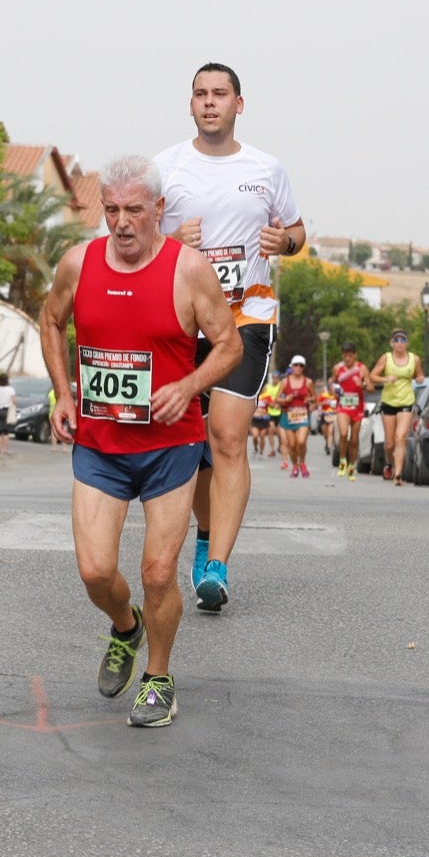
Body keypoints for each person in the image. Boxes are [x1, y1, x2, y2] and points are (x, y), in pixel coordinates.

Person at [39, 154, 240, 727]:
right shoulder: (78, 263)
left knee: (158, 571)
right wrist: (63, 392)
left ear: (158, 209)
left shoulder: (189, 270)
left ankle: (158, 676)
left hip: (169, 448)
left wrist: (190, 385)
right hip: (100, 445)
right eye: (110, 210)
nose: (121, 222)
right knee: (96, 572)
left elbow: (228, 345)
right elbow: (51, 320)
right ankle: (125, 626)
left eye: (132, 210)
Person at [156, 62, 306, 611]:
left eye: (220, 94)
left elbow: (296, 230)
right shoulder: (164, 168)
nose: (210, 102)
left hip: (247, 317)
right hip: (182, 323)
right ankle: (203, 533)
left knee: (227, 438)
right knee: (191, 448)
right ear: (190, 104)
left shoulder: (266, 168)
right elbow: (130, 240)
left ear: (239, 104)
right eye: (201, 94)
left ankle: (217, 564)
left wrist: (283, 243)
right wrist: (169, 236)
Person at [369, 329, 426, 486]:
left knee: (400, 437)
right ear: (391, 343)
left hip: (406, 402)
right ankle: (389, 463)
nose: (399, 343)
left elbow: (419, 374)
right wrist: (386, 379)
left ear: (406, 343)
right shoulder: (386, 358)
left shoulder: (414, 359)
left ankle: (398, 475)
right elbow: (372, 377)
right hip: (388, 403)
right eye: (396, 340)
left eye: (402, 340)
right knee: (389, 443)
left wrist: (420, 378)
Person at [330, 342, 371, 481]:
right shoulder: (338, 368)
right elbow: (332, 382)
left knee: (354, 439)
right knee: (343, 434)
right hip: (343, 406)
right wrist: (334, 389)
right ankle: (342, 461)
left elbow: (371, 387)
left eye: (350, 356)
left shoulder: (362, 369)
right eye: (345, 356)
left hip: (357, 408)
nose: (347, 359)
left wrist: (363, 384)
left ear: (355, 355)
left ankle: (352, 466)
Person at [278, 355, 316, 477]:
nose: (298, 368)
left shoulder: (308, 382)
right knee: (292, 444)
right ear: (292, 366)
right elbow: (276, 399)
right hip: (288, 416)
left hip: (303, 416)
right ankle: (295, 465)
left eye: (301, 365)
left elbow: (315, 398)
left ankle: (303, 463)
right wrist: (285, 399)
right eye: (296, 365)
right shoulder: (284, 382)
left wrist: (309, 399)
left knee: (301, 441)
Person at [0, 372, 17, 455]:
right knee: (5, 431)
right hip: (6, 411)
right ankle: (4, 450)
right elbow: (14, 401)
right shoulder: (10, 389)